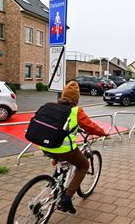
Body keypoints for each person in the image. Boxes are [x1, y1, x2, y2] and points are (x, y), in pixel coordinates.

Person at [40, 81, 107, 214]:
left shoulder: (52, 106)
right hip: (63, 148)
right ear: (76, 98)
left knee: (61, 160)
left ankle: (55, 183)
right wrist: (102, 132)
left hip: (45, 144)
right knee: (83, 166)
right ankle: (67, 198)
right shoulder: (76, 111)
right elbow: (90, 126)